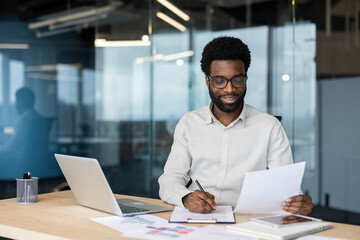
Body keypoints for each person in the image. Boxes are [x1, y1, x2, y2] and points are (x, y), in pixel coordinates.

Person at [158, 36, 314, 215]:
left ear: (246, 78)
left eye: (237, 80)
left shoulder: (269, 126)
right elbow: (170, 179)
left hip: (249, 220)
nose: (230, 89)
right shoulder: (189, 123)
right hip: (199, 218)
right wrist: (186, 198)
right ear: (207, 81)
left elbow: (287, 190)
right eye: (219, 80)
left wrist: (297, 203)